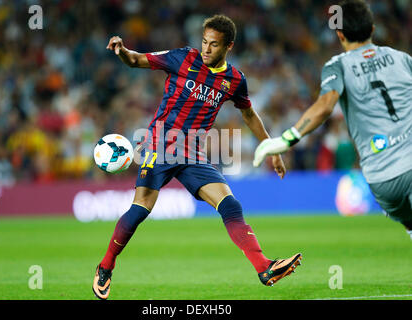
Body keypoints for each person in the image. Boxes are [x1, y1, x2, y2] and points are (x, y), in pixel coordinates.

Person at [93, 15, 302, 300]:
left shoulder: (235, 80)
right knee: (141, 208)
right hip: (160, 146)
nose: (205, 49)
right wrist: (122, 51)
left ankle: (264, 267)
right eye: (204, 42)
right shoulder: (182, 58)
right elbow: (137, 60)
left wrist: (271, 148)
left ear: (228, 46)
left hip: (193, 153)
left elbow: (249, 115)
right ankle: (106, 266)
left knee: (230, 204)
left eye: (213, 45)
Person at [253, 0, 412, 238]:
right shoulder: (401, 59)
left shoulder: (338, 66)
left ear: (340, 35)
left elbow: (325, 106)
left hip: (383, 181)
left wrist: (285, 140)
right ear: (372, 29)